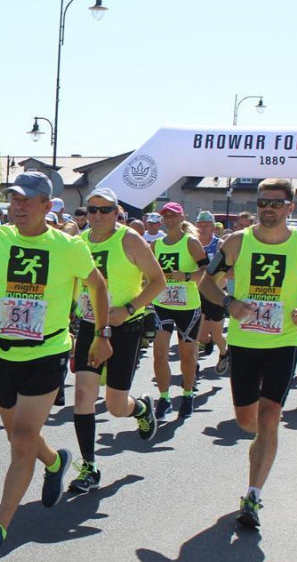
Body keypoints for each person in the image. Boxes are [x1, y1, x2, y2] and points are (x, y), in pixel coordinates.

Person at [0, 171, 111, 560]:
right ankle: (56, 462)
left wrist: (102, 334)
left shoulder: (69, 246)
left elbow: (98, 285)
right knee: (19, 436)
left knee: (21, 441)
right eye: (13, 199)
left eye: (27, 200)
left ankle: (0, 527)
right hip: (5, 352)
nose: (18, 206)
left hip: (48, 350)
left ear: (46, 205)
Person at [199, 178, 297, 528]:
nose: (268, 209)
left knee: (270, 415)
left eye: (276, 203)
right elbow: (207, 283)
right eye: (262, 203)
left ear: (290, 207)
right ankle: (262, 447)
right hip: (244, 343)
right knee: (247, 422)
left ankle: (253, 495)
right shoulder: (236, 242)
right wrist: (229, 302)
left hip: (283, 341)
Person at [70, 188, 166, 492]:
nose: (97, 216)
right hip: (89, 325)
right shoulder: (79, 242)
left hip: (126, 327)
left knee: (114, 405)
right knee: (84, 396)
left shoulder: (129, 240)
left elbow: (158, 281)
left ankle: (139, 409)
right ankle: (89, 467)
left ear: (117, 212)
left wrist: (128, 309)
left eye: (105, 210)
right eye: (92, 209)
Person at [149, 202, 208, 419]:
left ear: (182, 217)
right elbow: (150, 273)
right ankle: (164, 399)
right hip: (162, 304)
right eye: (165, 216)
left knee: (187, 356)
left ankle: (188, 394)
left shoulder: (190, 242)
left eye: (173, 216)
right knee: (159, 352)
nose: (169, 220)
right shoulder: (156, 245)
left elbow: (205, 270)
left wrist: (185, 277)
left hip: (188, 306)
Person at [195, 210, 229, 374]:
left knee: (217, 336)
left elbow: (226, 271)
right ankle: (192, 371)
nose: (203, 228)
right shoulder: (192, 243)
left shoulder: (220, 244)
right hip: (196, 295)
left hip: (215, 295)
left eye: (207, 225)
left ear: (213, 227)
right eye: (200, 224)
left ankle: (224, 353)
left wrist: (219, 288)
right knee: (197, 337)